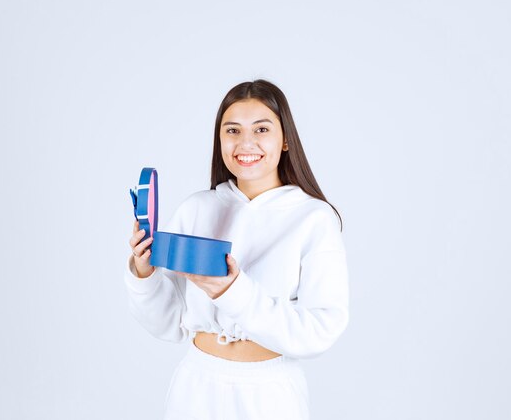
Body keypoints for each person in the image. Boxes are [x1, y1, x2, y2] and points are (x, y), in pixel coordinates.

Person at [125, 79, 349, 420]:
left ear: (286, 138)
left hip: (270, 395)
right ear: (220, 140)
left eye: (262, 129)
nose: (246, 143)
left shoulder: (313, 218)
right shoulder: (196, 209)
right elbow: (168, 323)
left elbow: (320, 330)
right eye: (232, 130)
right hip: (196, 389)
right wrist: (144, 274)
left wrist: (233, 291)